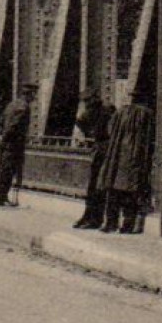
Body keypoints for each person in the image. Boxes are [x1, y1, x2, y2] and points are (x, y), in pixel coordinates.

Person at [95, 98, 157, 234]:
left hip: (116, 158)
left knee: (113, 191)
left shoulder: (120, 112)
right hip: (134, 158)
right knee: (130, 193)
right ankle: (127, 225)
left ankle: (111, 223)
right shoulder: (146, 114)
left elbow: (109, 130)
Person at [71, 93, 116, 229]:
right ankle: (93, 217)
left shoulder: (91, 113)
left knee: (95, 186)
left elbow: (80, 123)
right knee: (99, 186)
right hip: (107, 150)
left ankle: (93, 218)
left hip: (101, 151)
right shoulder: (107, 110)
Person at [0, 83, 38, 207]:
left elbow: (0, 120)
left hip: (5, 143)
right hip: (14, 144)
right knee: (9, 171)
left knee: (3, 170)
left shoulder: (12, 104)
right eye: (34, 95)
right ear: (31, 94)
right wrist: (5, 137)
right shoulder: (24, 107)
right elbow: (13, 126)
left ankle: (0, 197)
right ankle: (2, 198)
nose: (34, 98)